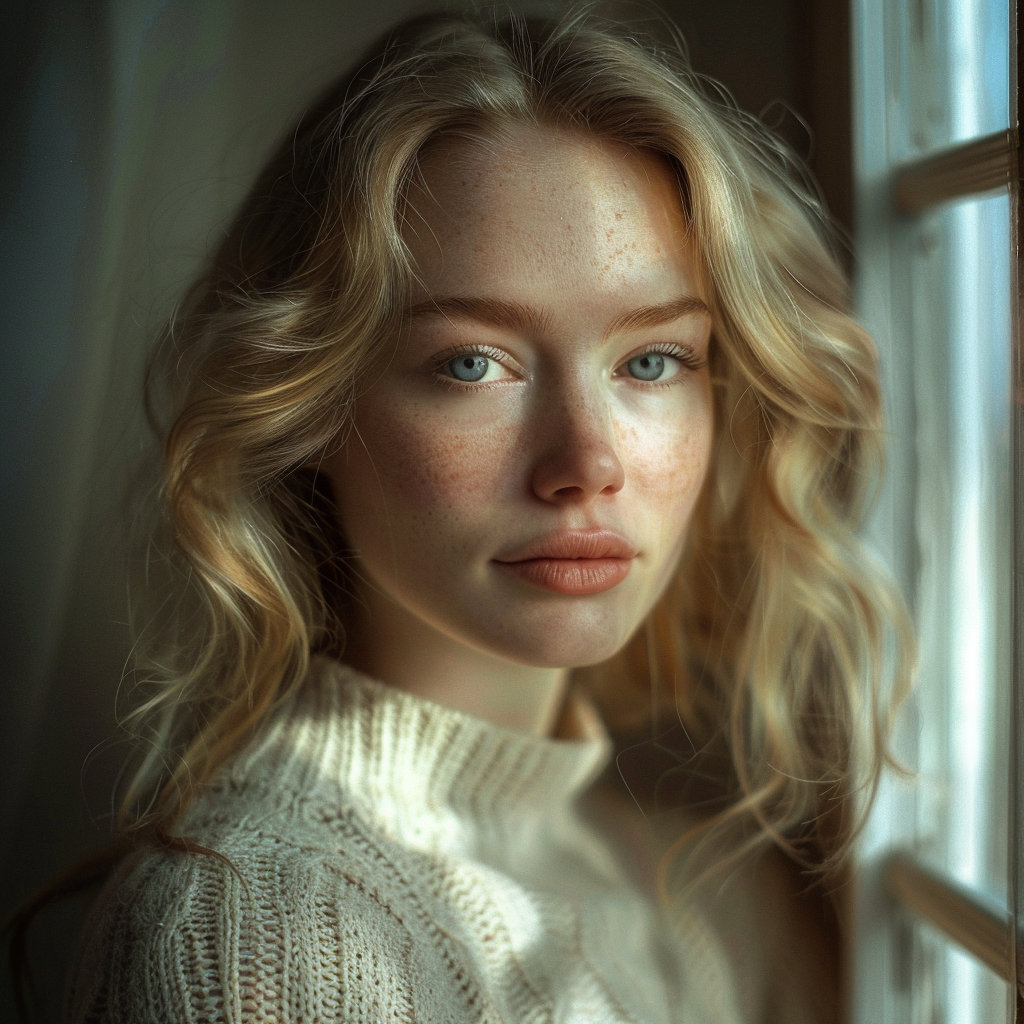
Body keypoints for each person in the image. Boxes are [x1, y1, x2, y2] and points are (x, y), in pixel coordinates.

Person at [59, 8, 912, 1023]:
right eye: (472, 363)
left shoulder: (724, 906)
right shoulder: (251, 926)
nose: (585, 465)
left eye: (651, 360)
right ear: (312, 406)